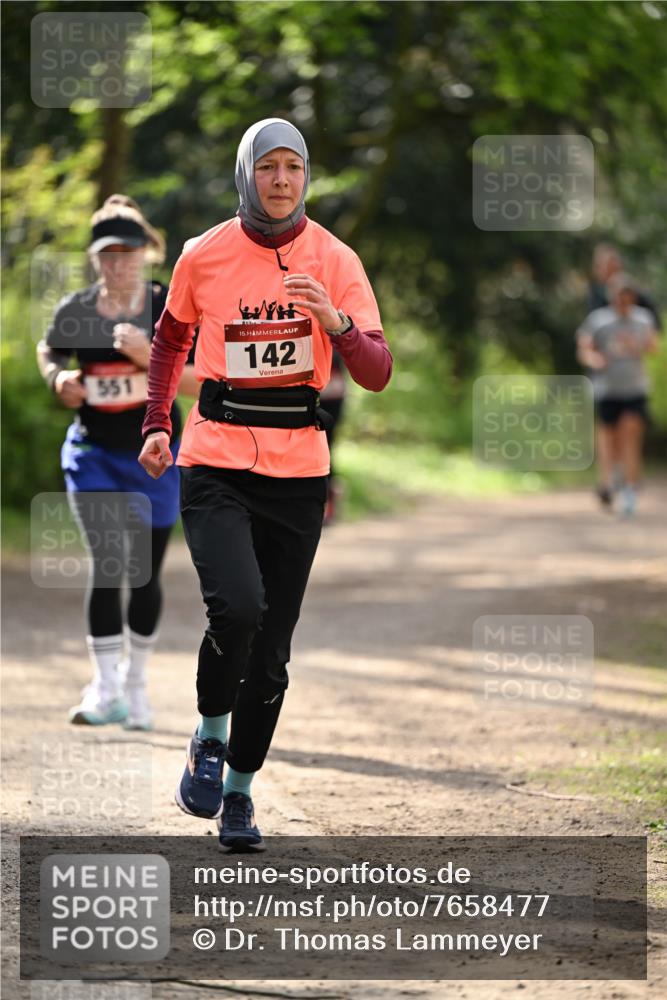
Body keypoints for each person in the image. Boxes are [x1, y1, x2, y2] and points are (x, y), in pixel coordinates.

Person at [139, 118, 392, 852]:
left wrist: (336, 323)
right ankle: (209, 737)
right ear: (246, 173)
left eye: (294, 167)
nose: (281, 180)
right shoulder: (204, 254)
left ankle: (241, 794)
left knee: (273, 651)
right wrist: (159, 422)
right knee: (238, 608)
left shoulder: (336, 259)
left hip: (298, 469)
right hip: (214, 458)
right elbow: (168, 341)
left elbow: (375, 371)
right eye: (269, 167)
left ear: (305, 176)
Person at [37, 195, 199, 729]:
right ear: (95, 258)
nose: (118, 263)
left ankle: (136, 685)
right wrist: (58, 378)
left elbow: (201, 382)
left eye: (129, 253)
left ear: (147, 255)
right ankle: (105, 689)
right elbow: (50, 348)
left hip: (155, 456)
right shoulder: (78, 310)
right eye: (108, 254)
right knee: (110, 566)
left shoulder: (166, 308)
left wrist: (146, 355)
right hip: (95, 454)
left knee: (144, 572)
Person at [576, 273, 659, 516]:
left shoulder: (643, 320)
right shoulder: (599, 321)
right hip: (607, 389)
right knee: (609, 440)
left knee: (630, 435)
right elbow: (584, 348)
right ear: (611, 297)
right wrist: (595, 359)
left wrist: (638, 346)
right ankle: (608, 482)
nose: (622, 302)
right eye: (617, 297)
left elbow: (653, 347)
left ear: (632, 298)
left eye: (626, 297)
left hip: (635, 389)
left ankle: (630, 490)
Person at [588, 243, 661, 330]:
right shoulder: (596, 296)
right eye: (608, 268)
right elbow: (591, 330)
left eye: (614, 267)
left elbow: (655, 325)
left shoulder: (637, 294)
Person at [319, 347, 347, 524]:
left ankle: (330, 506)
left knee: (327, 450)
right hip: (315, 396)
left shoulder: (334, 323)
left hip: (332, 398)